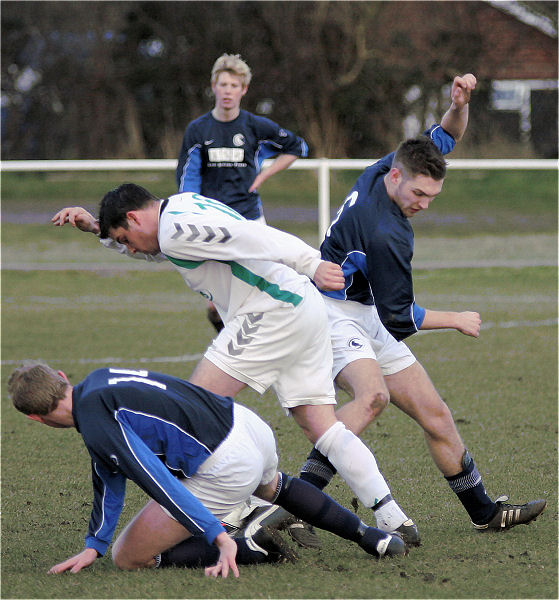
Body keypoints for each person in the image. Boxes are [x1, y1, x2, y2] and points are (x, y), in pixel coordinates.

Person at [52, 186, 420, 548]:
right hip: (302, 307)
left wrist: (313, 263)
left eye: (125, 238)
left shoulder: (175, 229)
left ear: (134, 217)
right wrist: (100, 229)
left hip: (270, 311)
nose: (130, 248)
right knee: (321, 425)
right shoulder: (179, 209)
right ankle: (391, 516)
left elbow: (253, 235)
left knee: (192, 415)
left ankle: (245, 511)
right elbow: (156, 248)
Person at [296, 73, 546, 533]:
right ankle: (295, 503)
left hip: (362, 308)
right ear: (396, 178)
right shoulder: (388, 232)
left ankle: (485, 513)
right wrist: (456, 319)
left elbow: (444, 137)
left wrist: (460, 104)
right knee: (372, 397)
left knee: (436, 414)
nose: (425, 205)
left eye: (432, 196)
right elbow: (401, 317)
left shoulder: (388, 167)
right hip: (329, 312)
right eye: (419, 195)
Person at [8, 363, 407, 576]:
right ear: (62, 378)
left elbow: (156, 480)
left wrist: (218, 535)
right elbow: (108, 473)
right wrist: (94, 542)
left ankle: (248, 542)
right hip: (247, 425)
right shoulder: (97, 382)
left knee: (129, 557)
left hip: (226, 462)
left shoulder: (95, 423)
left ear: (36, 420)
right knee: (275, 487)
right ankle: (369, 536)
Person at [176, 53, 308, 333]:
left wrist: (265, 174)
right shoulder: (198, 130)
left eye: (234, 86)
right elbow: (187, 177)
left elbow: (298, 147)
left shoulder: (255, 126)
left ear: (244, 90)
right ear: (213, 86)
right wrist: (191, 212)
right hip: (212, 223)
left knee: (262, 289)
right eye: (223, 85)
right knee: (217, 303)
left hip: (249, 218)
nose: (228, 91)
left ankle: (266, 346)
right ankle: (231, 355)